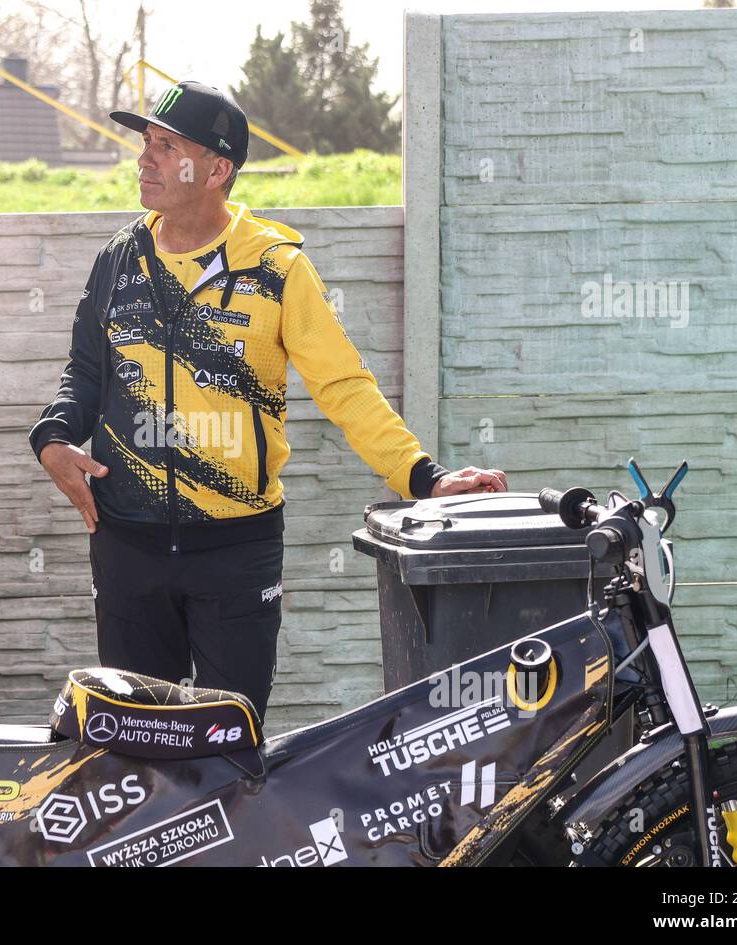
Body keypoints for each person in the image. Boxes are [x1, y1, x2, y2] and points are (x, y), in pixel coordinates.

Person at [31, 81, 507, 722]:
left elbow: (344, 387)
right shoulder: (118, 260)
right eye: (146, 144)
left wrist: (425, 476)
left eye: (167, 147)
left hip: (236, 549)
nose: (145, 159)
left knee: (232, 738)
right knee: (133, 749)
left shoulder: (277, 269)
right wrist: (54, 436)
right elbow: (87, 372)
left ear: (218, 168)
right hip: (126, 546)